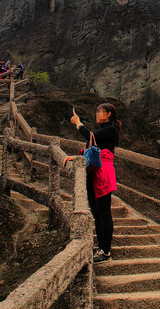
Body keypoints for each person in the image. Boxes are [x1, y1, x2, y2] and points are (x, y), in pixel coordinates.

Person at [63, 104, 121, 264]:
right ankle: (101, 247)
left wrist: (77, 123)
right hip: (95, 171)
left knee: (103, 212)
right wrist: (75, 158)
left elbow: (90, 137)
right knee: (96, 212)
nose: (96, 113)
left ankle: (105, 251)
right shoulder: (105, 130)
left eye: (99, 111)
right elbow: (94, 150)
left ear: (108, 114)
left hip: (103, 173)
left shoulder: (110, 129)